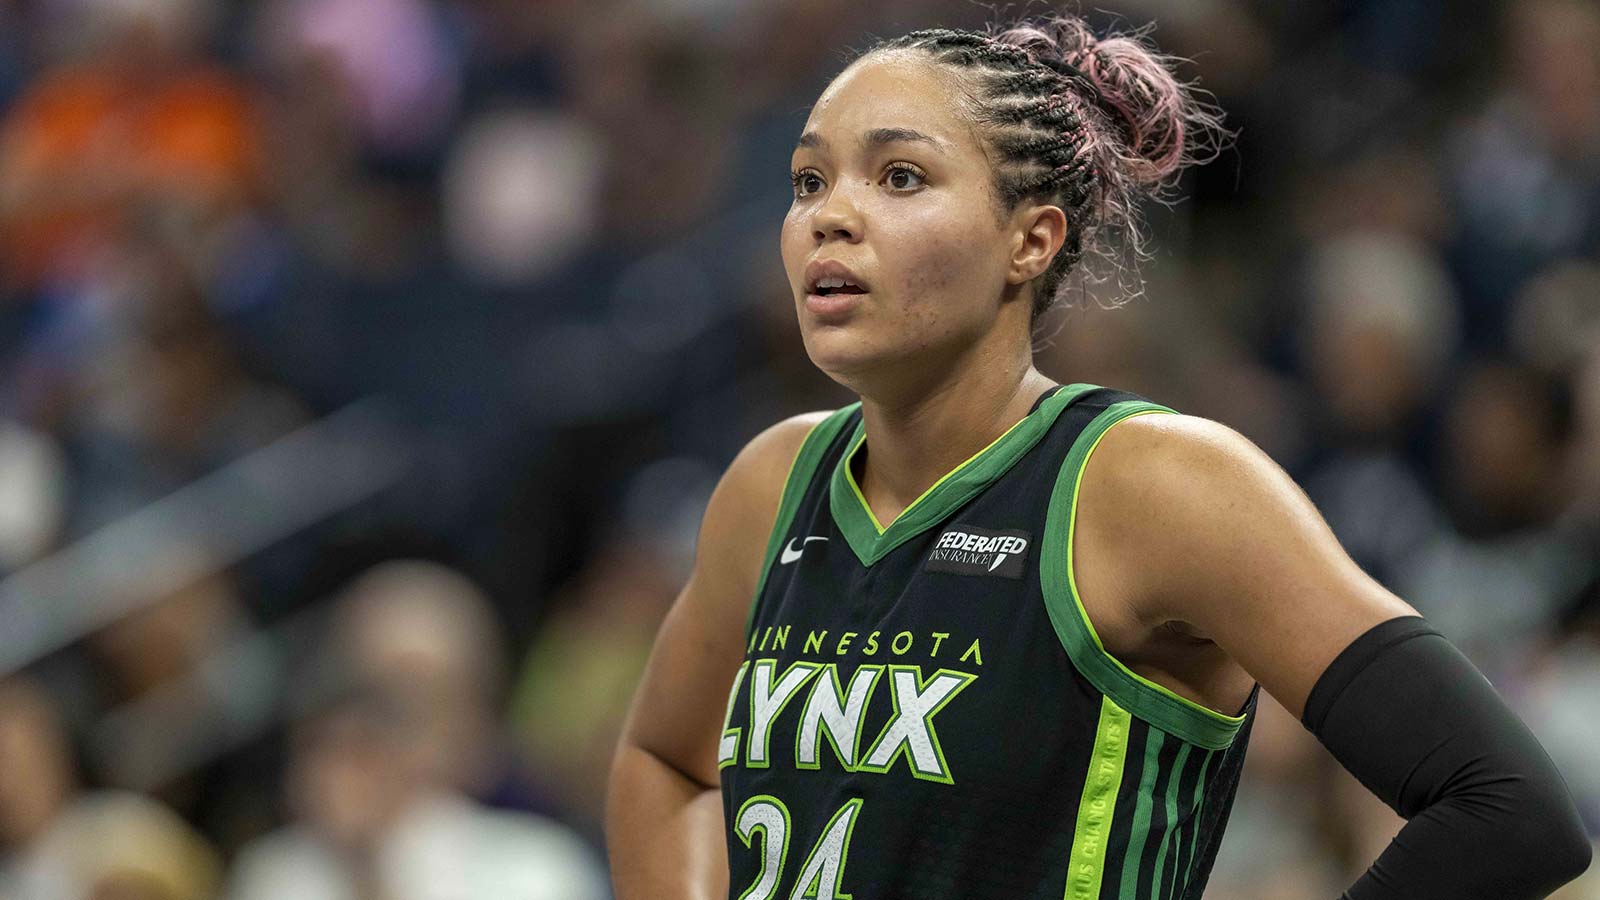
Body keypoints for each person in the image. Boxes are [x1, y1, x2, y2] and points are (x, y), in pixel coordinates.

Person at [605, 13, 1592, 900]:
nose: (829, 213)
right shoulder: (773, 484)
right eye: (809, 180)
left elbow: (1505, 807)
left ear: (1030, 240)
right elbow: (662, 758)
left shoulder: (1152, 483)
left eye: (899, 175)